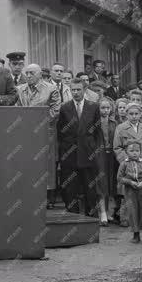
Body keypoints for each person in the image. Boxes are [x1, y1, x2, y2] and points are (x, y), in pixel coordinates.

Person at [16, 64, 61, 208]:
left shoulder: (51, 89)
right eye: (27, 73)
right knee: (27, 163)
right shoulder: (19, 89)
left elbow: (55, 110)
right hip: (24, 132)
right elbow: (15, 109)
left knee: (46, 165)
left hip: (44, 131)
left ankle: (48, 198)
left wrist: (37, 124)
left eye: (32, 73)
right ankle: (29, 194)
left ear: (40, 74)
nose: (28, 76)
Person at [57, 77, 103, 215]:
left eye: (78, 89)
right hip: (69, 154)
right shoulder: (64, 107)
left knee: (90, 188)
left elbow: (97, 131)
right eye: (73, 90)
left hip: (87, 153)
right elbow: (60, 131)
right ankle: (72, 216)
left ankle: (91, 217)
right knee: (70, 188)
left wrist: (92, 148)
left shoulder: (93, 106)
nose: (75, 92)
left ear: (84, 90)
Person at [96, 97, 117, 226]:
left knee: (110, 183)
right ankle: (102, 213)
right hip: (100, 154)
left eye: (108, 108)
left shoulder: (114, 123)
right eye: (103, 108)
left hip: (112, 154)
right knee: (101, 183)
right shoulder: (95, 123)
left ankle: (109, 212)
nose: (105, 110)